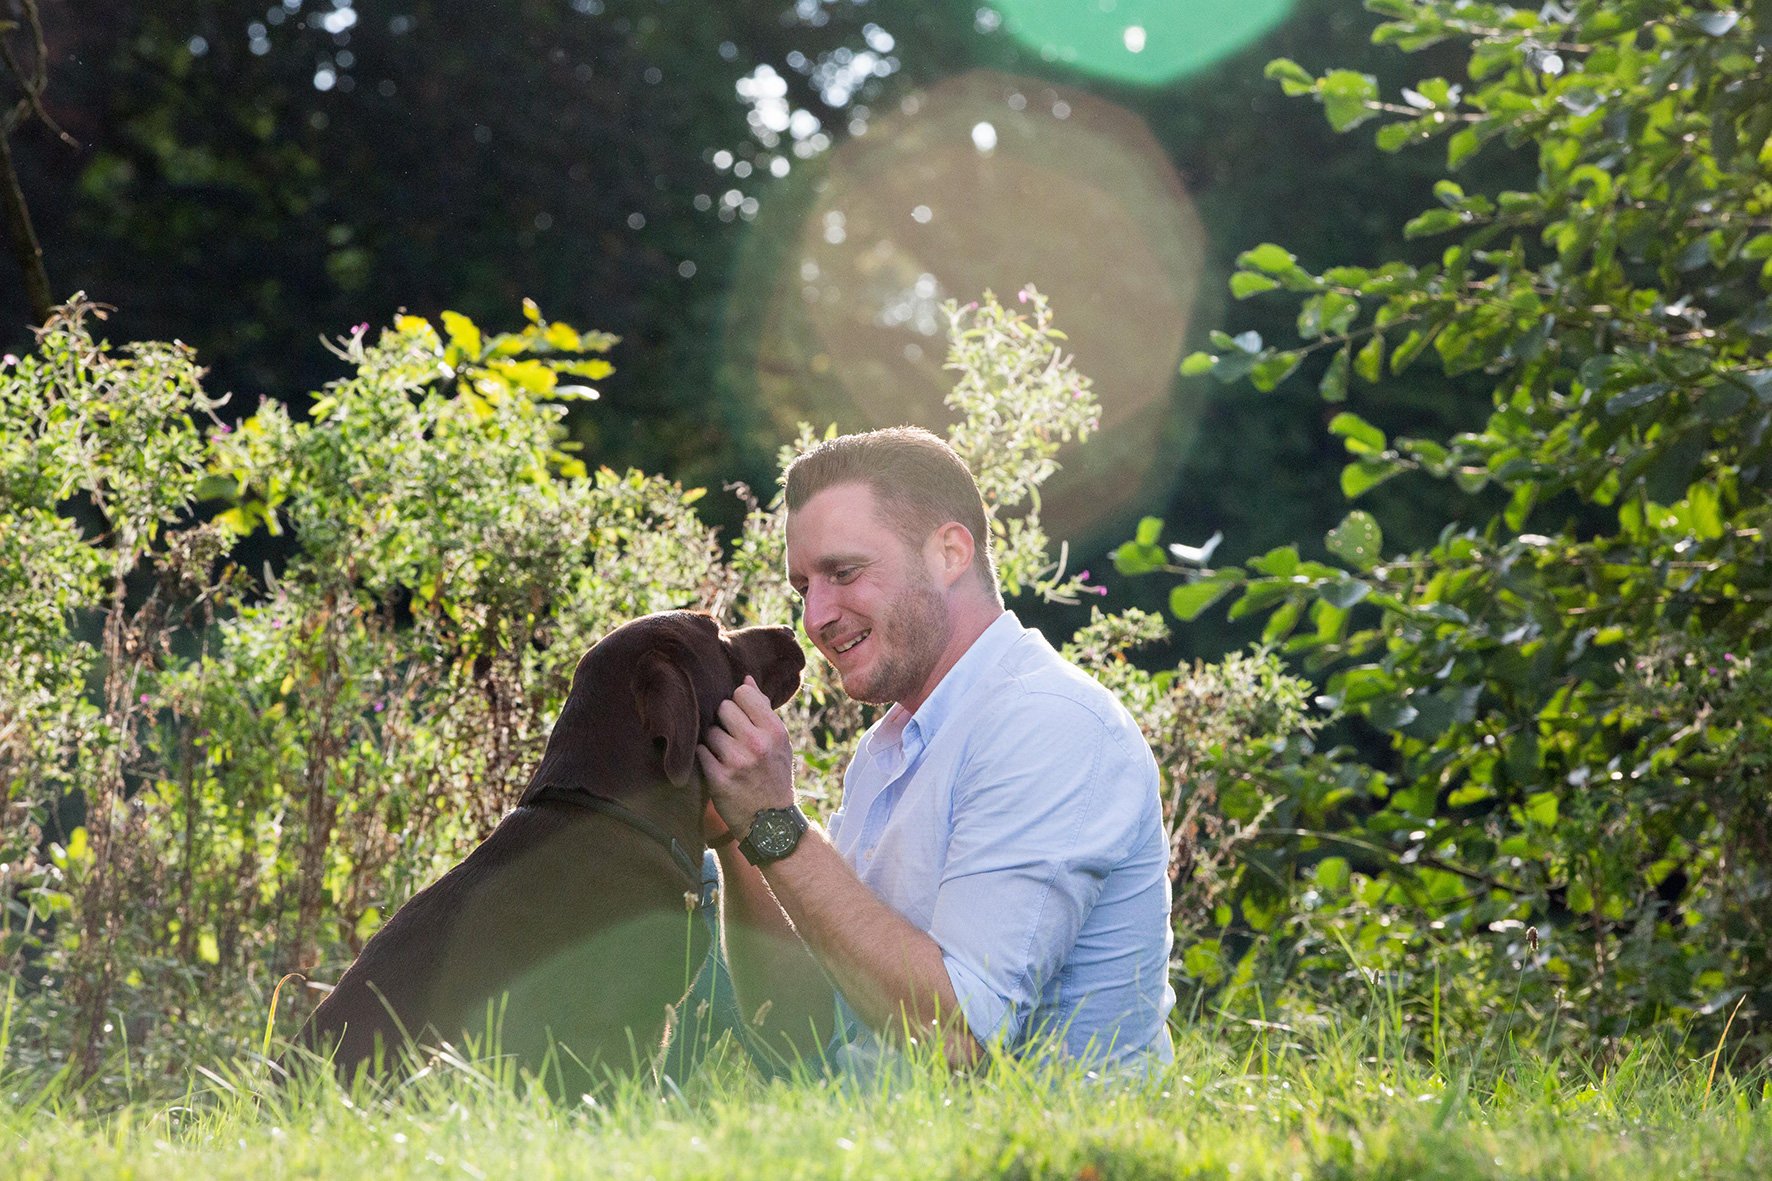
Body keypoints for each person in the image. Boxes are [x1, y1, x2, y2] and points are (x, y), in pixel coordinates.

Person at [697, 426, 1174, 1072]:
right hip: (871, 1129)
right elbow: (801, 1033)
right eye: (804, 587)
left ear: (950, 553)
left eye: (844, 572)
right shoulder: (886, 747)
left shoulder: (1047, 723)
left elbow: (957, 1039)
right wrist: (739, 834)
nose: (815, 617)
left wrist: (776, 822)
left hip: (1035, 1135)